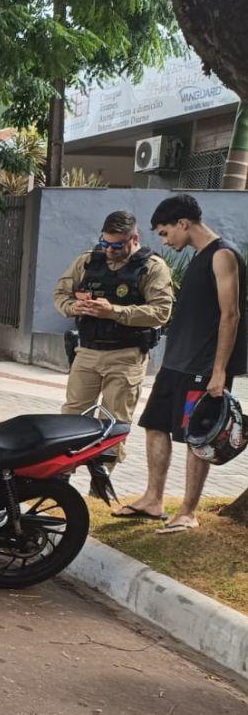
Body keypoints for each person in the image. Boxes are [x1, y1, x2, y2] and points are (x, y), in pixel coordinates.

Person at [114, 194, 246, 532]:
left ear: (183, 224)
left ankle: (188, 512)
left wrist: (219, 372)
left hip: (203, 367)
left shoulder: (223, 255)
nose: (164, 239)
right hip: (176, 364)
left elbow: (230, 316)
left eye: (164, 232)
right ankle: (153, 499)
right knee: (155, 424)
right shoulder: (201, 255)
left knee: (196, 437)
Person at [52, 210, 173, 466]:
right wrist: (74, 307)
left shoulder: (151, 267)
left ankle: (100, 488)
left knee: (114, 424)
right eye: (105, 242)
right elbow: (61, 293)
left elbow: (161, 312)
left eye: (117, 245)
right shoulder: (87, 261)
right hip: (87, 352)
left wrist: (114, 312)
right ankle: (60, 480)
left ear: (134, 238)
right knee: (71, 417)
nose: (109, 250)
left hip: (126, 356)